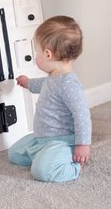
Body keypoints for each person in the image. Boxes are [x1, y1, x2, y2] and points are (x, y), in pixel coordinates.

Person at [8, 16, 91, 182]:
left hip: (61, 141)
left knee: (41, 172)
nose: (35, 55)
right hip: (42, 138)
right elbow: (45, 86)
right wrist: (28, 83)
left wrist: (82, 145)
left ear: (47, 54)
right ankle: (45, 156)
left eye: (36, 51)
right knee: (14, 153)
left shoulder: (69, 85)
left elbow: (82, 116)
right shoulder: (53, 77)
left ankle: (73, 167)